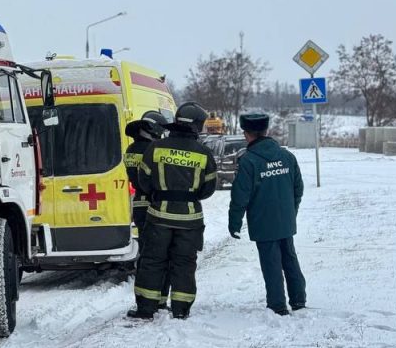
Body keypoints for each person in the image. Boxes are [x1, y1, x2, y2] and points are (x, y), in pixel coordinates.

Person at [128, 102, 218, 320]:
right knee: (184, 263)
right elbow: (208, 189)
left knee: (152, 261)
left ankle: (146, 309)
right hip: (190, 220)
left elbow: (144, 180)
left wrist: (160, 193)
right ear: (197, 125)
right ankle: (180, 309)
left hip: (158, 217)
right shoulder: (204, 153)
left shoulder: (155, 148)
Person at [228, 113, 306, 315]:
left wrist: (234, 223)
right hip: (285, 220)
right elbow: (298, 188)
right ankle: (298, 300)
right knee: (290, 259)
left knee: (271, 264)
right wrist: (291, 212)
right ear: (266, 131)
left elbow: (240, 196)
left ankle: (277, 305)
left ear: (247, 134)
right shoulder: (287, 157)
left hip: (263, 222)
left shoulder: (249, 161)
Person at [124, 115, 167, 288]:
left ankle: (143, 278)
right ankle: (154, 281)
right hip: (153, 202)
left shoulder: (131, 148)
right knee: (157, 246)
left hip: (138, 204)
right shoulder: (151, 149)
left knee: (145, 243)